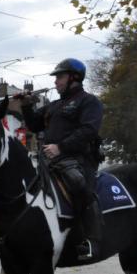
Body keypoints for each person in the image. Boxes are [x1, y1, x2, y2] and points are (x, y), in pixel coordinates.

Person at [22, 58, 104, 261]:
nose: (56, 81)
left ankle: (90, 240)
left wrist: (61, 147)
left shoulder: (89, 101)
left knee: (80, 186)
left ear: (74, 78)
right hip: (49, 160)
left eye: (60, 76)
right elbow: (33, 125)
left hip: (78, 159)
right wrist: (26, 106)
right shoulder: (54, 105)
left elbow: (89, 130)